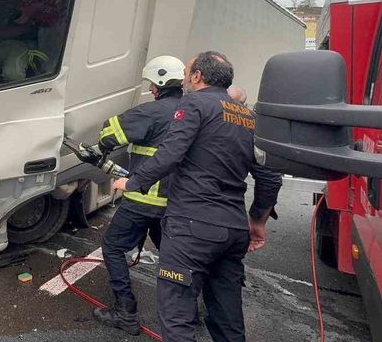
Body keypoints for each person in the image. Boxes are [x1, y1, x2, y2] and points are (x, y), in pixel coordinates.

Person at [113, 51, 282, 342]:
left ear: (197, 76)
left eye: (188, 72)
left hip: (192, 227)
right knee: (228, 318)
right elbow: (269, 175)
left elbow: (170, 153)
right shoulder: (247, 115)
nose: (185, 79)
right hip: (233, 230)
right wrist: (257, 220)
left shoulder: (194, 103)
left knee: (178, 318)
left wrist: (132, 183)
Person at [91, 55, 186, 335]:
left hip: (144, 199)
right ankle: (184, 313)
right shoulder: (192, 111)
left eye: (151, 84)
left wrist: (102, 143)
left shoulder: (152, 112)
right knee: (172, 255)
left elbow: (110, 134)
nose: (150, 90)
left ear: (158, 83)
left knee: (112, 247)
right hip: (175, 202)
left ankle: (126, 312)